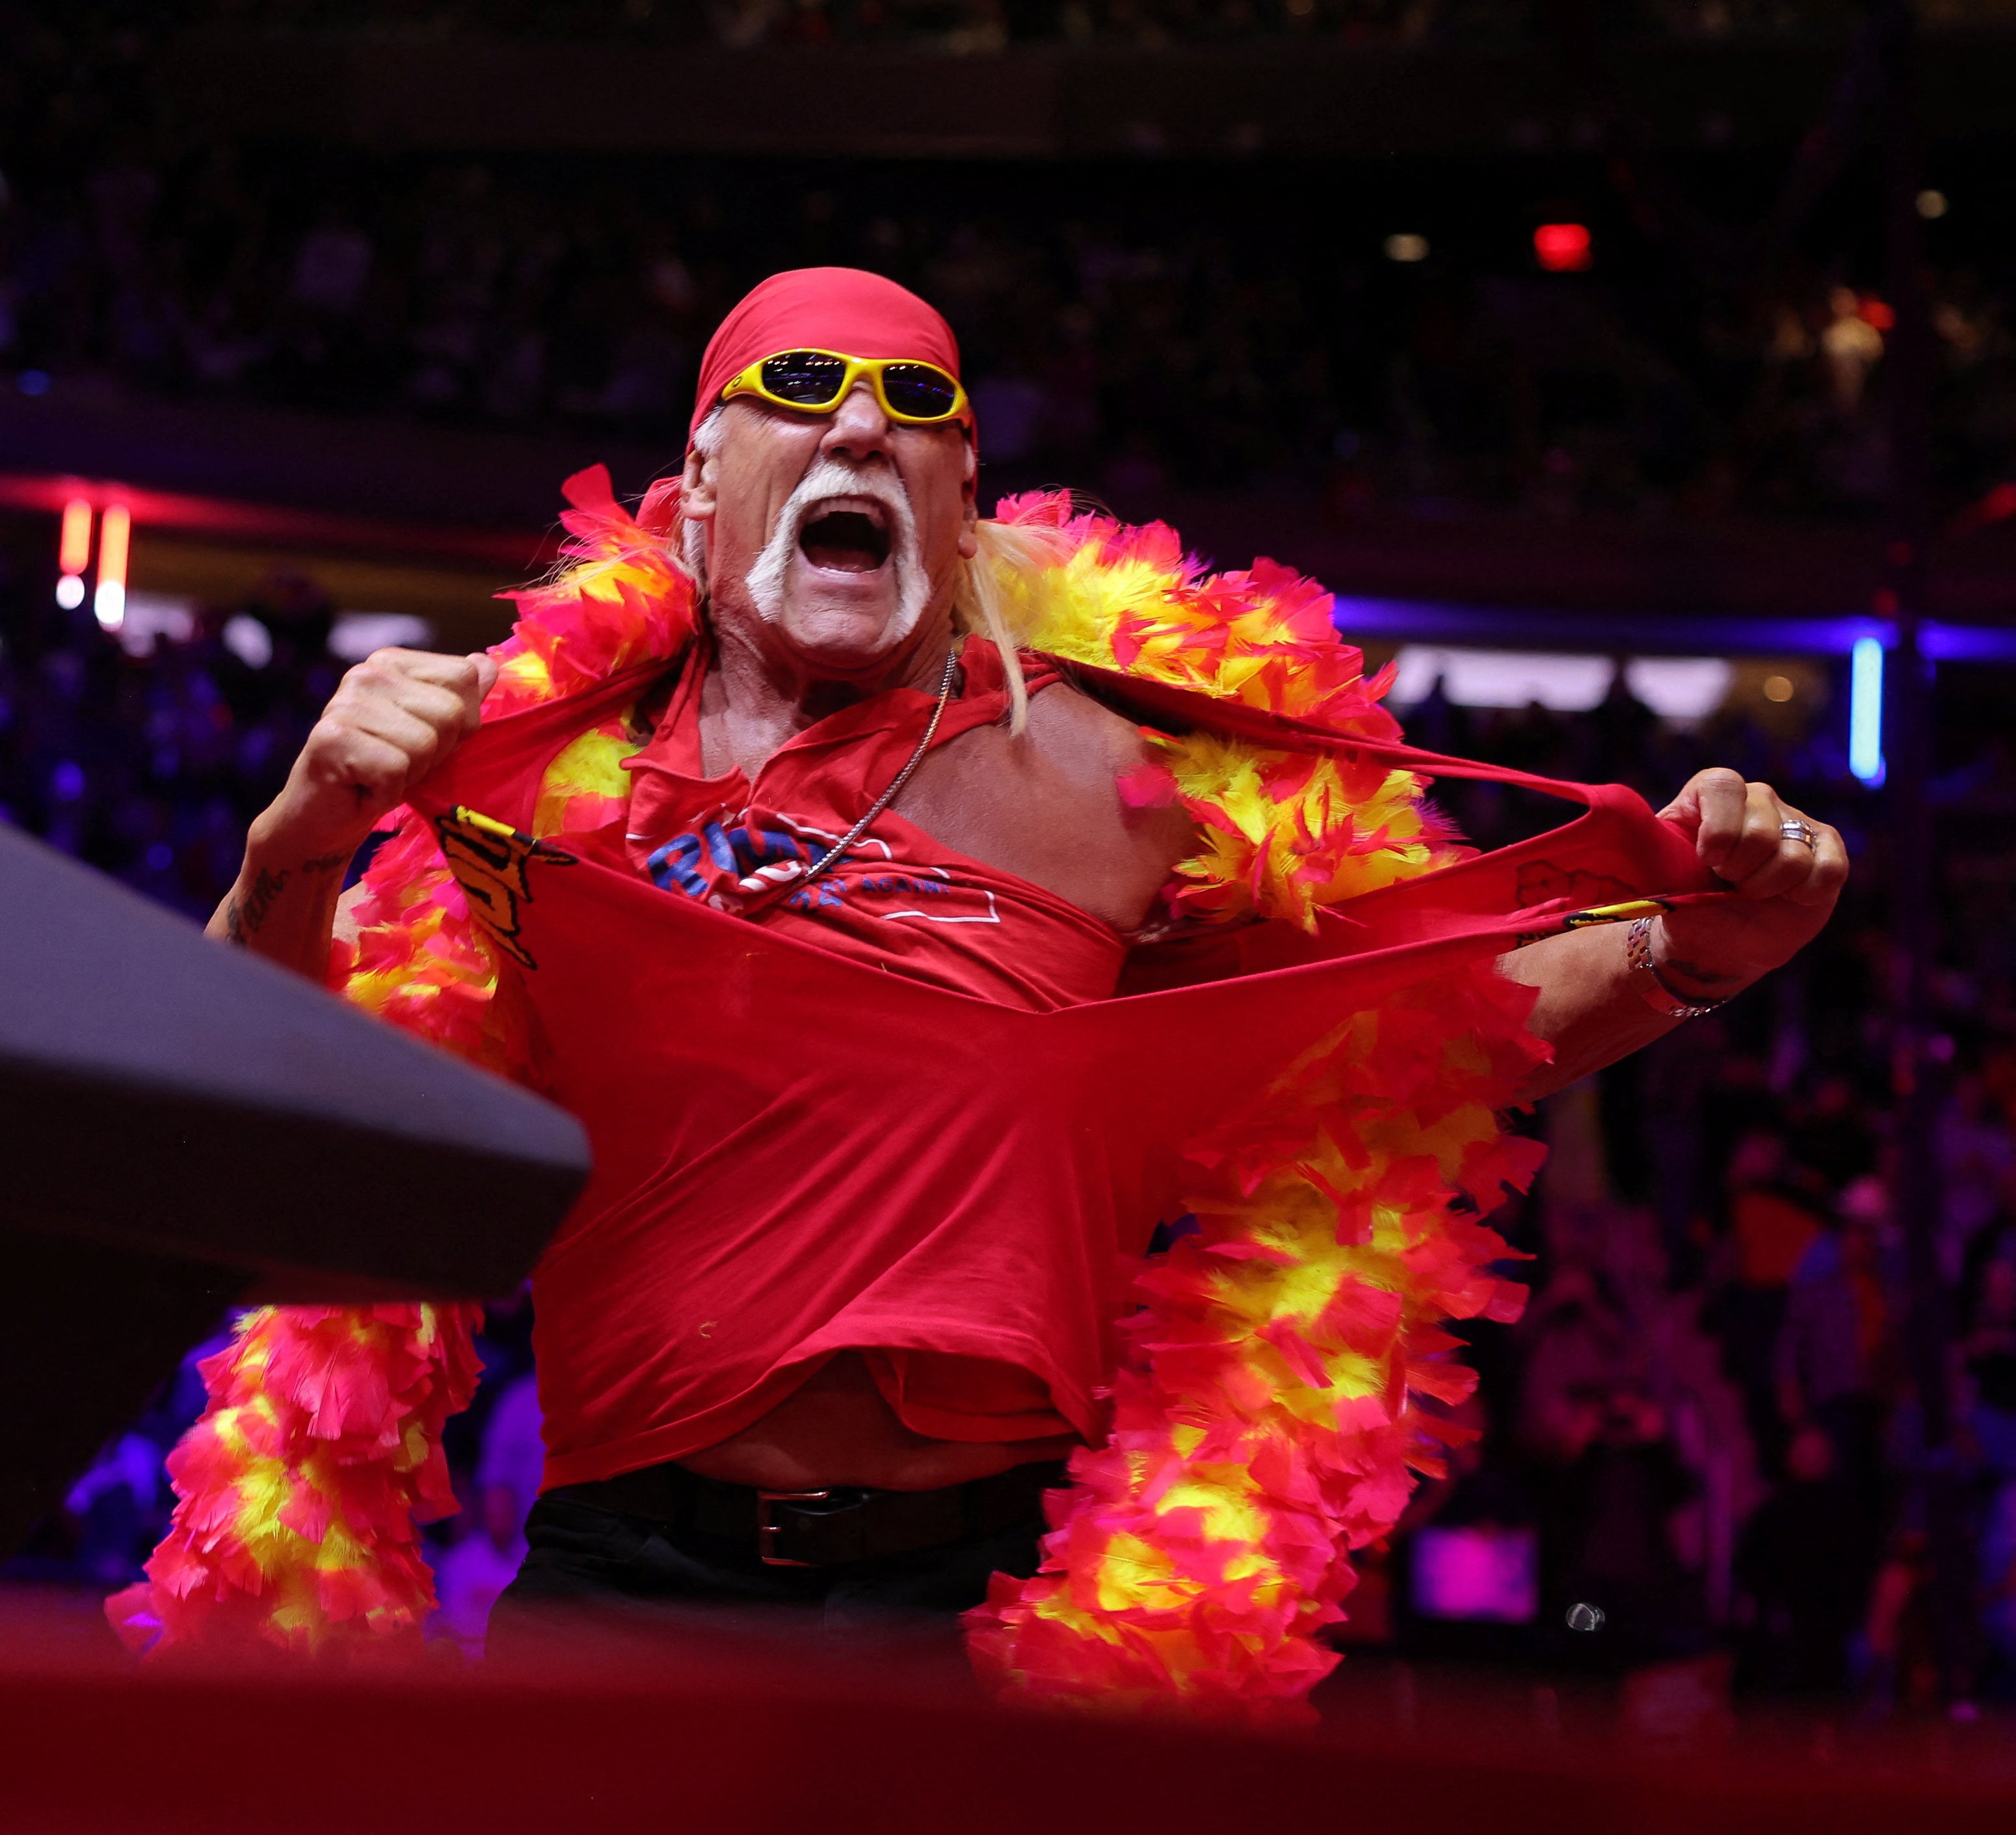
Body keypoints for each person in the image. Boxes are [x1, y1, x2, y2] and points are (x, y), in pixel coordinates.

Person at [129, 267, 1846, 1698]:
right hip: (632, 1583)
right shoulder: (537, 778)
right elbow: (272, 1126)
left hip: (986, 1593)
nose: (862, 423)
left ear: (959, 508)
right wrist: (294, 847)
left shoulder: (1110, 776)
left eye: (915, 405)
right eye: (802, 389)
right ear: (700, 485)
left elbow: (1409, 1039)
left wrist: (1693, 950)